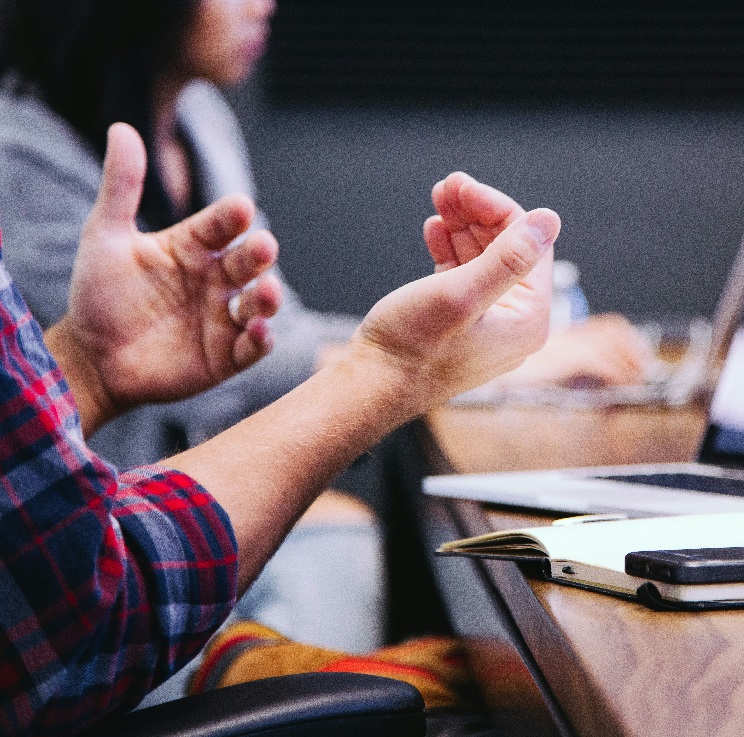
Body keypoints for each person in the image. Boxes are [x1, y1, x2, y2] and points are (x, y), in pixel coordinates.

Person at [0, 119, 562, 735]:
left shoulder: (200, 118)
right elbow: (84, 608)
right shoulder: (23, 147)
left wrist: (83, 368)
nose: (265, 12)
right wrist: (396, 370)